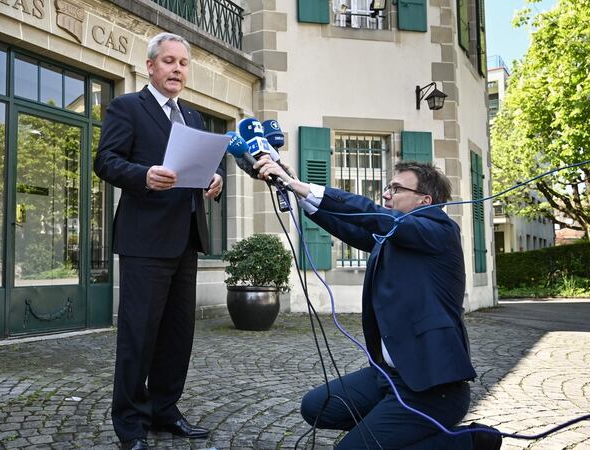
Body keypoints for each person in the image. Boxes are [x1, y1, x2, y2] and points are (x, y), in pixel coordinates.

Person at [255, 158, 502, 450]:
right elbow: (352, 226)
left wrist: (306, 187)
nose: (386, 194)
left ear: (425, 200)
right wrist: (298, 193)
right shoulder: (394, 234)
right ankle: (392, 429)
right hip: (387, 376)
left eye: (396, 188)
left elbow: (372, 214)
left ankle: (468, 443)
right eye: (388, 186)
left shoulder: (440, 230)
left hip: (432, 389)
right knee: (315, 406)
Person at [93, 32, 224, 450]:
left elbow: (196, 168)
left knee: (177, 336)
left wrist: (212, 180)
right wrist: (143, 176)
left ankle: (165, 411)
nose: (177, 70)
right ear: (150, 66)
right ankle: (130, 425)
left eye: (183, 63)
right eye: (169, 61)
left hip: (186, 239)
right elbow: (106, 161)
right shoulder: (128, 107)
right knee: (139, 336)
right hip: (145, 241)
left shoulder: (193, 117)